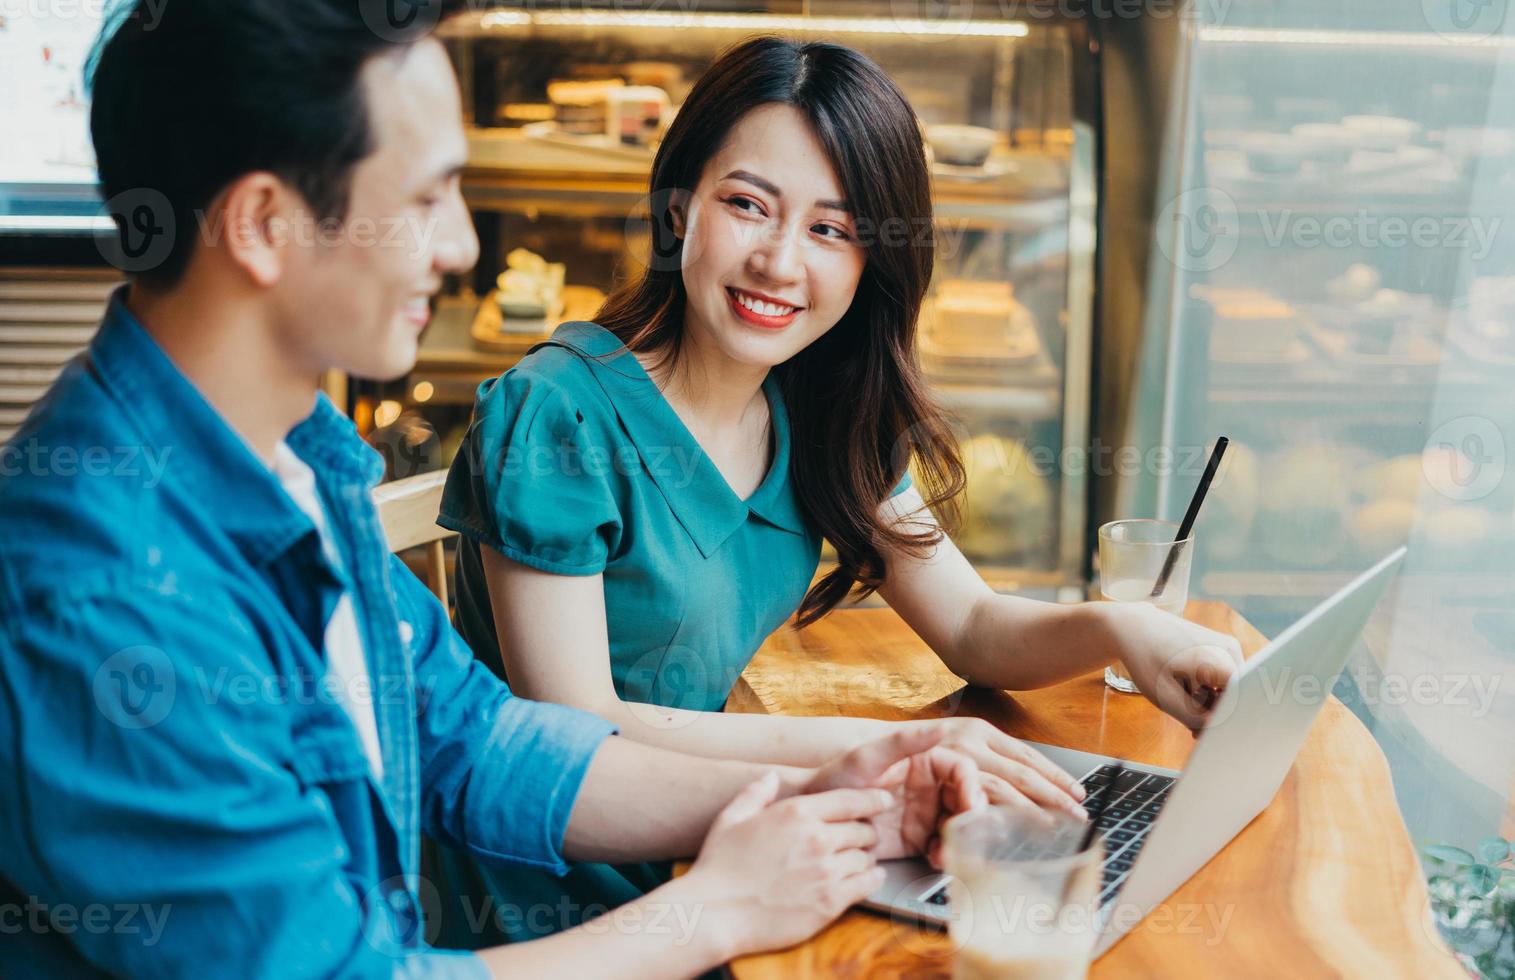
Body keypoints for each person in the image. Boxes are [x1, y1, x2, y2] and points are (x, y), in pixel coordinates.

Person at [0, 5, 992, 976]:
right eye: (429, 198)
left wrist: (826, 782)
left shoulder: (299, 452)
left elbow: (477, 741)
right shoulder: (106, 594)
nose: (463, 244)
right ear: (264, 223)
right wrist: (716, 906)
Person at [432, 35, 1246, 941]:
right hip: (560, 901)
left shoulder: (820, 404)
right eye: (747, 205)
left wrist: (1121, 628)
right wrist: (864, 754)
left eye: (831, 228)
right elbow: (576, 730)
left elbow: (972, 628)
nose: (780, 263)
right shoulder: (558, 413)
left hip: (738, 838)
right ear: (677, 211)